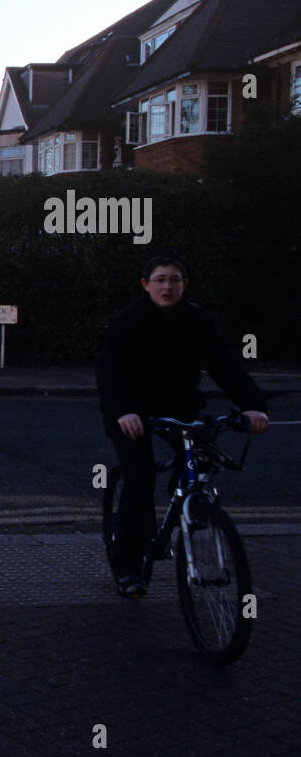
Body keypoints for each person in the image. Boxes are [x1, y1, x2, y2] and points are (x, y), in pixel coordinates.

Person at [96, 256, 269, 598]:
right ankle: (128, 566)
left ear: (184, 285)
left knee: (201, 462)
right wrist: (123, 411)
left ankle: (183, 505)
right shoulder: (127, 322)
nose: (167, 286)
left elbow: (226, 366)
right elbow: (108, 373)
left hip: (181, 409)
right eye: (159, 279)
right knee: (140, 476)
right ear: (145, 284)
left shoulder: (198, 320)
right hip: (132, 414)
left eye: (174, 280)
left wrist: (252, 406)